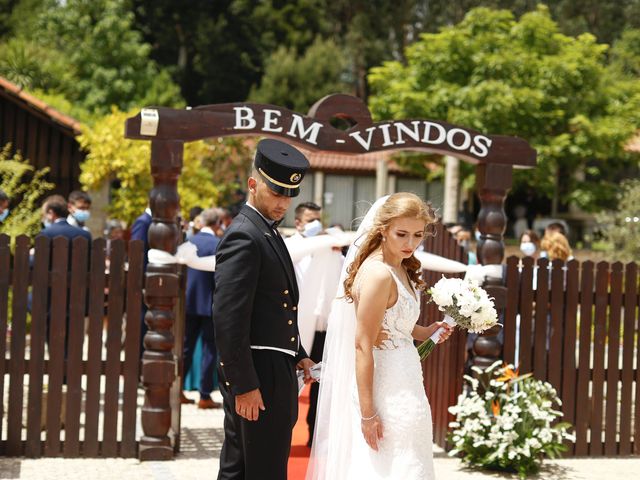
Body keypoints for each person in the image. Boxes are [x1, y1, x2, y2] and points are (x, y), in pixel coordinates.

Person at [307, 193, 454, 480]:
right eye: (401, 234)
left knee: (409, 461)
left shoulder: (400, 265)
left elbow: (396, 324)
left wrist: (427, 331)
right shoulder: (378, 274)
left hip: (408, 380)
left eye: (417, 235)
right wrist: (368, 413)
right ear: (383, 229)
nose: (410, 243)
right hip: (384, 389)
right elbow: (363, 345)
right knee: (388, 467)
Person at [213, 139, 315, 480]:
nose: (283, 202)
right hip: (257, 369)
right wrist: (243, 383)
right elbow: (229, 318)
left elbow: (275, 305)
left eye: (290, 195)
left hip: (272, 364)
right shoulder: (245, 235)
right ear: (253, 184)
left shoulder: (263, 231)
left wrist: (297, 351)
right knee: (262, 469)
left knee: (243, 467)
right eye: (276, 192)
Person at [285, 201, 344, 447]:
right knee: (290, 380)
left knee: (322, 382)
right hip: (294, 325)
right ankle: (284, 431)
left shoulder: (329, 250)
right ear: (298, 222)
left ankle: (314, 434)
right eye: (310, 220)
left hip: (324, 326)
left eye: (318, 220)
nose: (316, 224)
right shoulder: (290, 247)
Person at [182, 208, 222, 409]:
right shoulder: (219, 244)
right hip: (210, 304)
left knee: (186, 348)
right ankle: (204, 395)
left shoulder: (188, 242)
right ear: (217, 224)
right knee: (209, 350)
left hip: (188, 304)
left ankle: (179, 389)